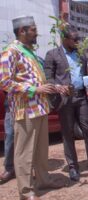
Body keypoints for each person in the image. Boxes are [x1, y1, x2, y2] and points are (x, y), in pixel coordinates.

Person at [0, 16, 63, 199]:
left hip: (41, 108)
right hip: (25, 110)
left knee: (41, 151)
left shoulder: (29, 51)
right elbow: (4, 82)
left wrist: (53, 87)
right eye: (33, 29)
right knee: (25, 153)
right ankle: (26, 192)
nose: (36, 32)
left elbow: (37, 79)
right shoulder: (10, 52)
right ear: (22, 31)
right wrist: (35, 89)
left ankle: (43, 180)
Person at [44, 25, 88, 182]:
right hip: (65, 100)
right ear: (65, 39)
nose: (78, 41)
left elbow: (85, 77)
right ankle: (73, 167)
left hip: (81, 97)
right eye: (75, 39)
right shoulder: (52, 54)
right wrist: (60, 88)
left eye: (79, 38)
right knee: (67, 133)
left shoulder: (81, 55)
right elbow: (48, 79)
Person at [0, 96, 15, 184]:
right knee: (9, 136)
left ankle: (27, 170)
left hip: (28, 106)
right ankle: (9, 168)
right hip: (11, 105)